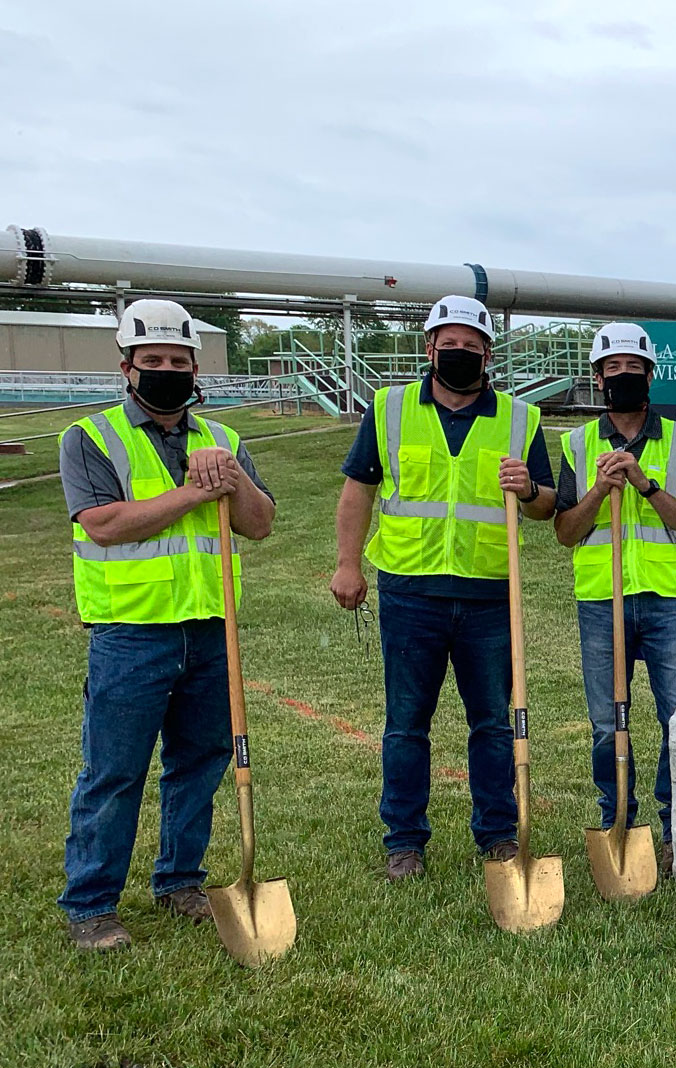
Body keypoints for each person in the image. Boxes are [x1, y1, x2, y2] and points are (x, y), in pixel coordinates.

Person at [57, 299, 277, 951]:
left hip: (211, 629)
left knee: (199, 764)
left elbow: (259, 524)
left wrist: (232, 480)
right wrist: (191, 493)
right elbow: (102, 523)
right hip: (131, 631)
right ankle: (92, 903)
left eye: (178, 361)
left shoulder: (224, 441)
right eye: (152, 360)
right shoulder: (90, 438)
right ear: (126, 367)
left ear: (195, 365)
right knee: (114, 770)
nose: (166, 371)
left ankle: (181, 880)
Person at [330, 295, 557, 881]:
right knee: (407, 722)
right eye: (448, 345)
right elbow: (359, 489)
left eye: (471, 346)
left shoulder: (519, 419)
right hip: (410, 593)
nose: (459, 354)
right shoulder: (388, 407)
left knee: (492, 722)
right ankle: (404, 842)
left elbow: (548, 507)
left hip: (488, 596)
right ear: (429, 348)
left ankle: (499, 836)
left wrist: (530, 489)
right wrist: (347, 564)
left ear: (488, 354)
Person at [553, 323, 676, 879]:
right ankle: (617, 819)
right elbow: (566, 532)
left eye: (632, 368)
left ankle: (673, 831)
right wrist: (598, 490)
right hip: (602, 600)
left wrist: (643, 484)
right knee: (604, 723)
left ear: (649, 375)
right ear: (597, 378)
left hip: (668, 600)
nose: (622, 377)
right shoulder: (577, 445)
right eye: (611, 369)